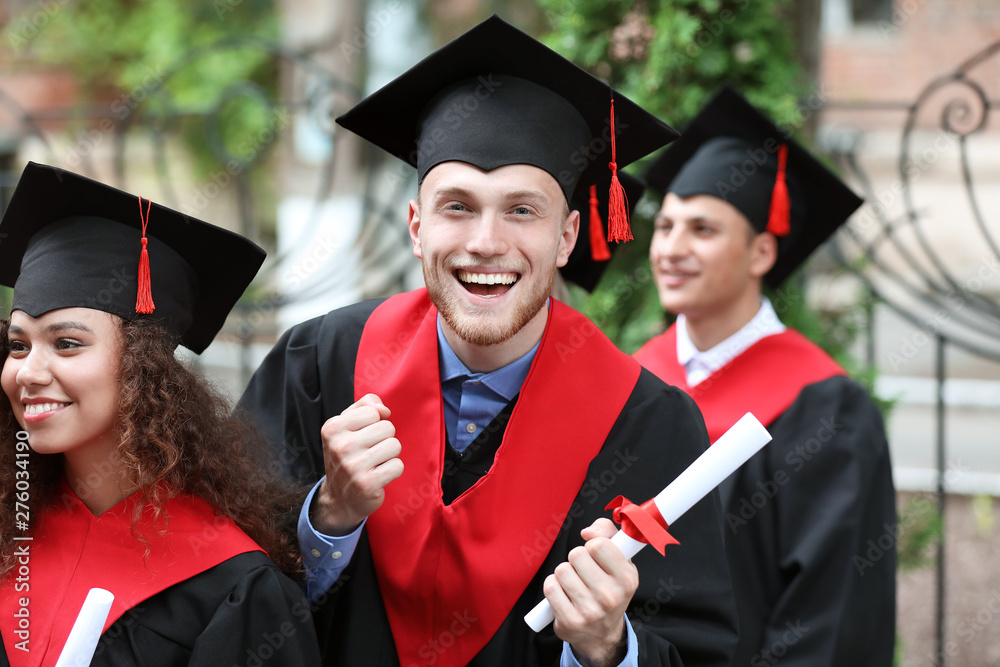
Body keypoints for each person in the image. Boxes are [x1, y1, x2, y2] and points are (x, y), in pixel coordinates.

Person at [239, 15, 738, 667]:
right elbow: (221, 597)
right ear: (417, 226)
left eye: (522, 210)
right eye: (458, 206)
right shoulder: (317, 367)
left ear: (566, 238)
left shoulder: (648, 425)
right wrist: (327, 518)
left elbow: (702, 652)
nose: (485, 242)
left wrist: (609, 646)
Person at [0, 162, 321, 666]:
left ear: (143, 367)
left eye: (66, 343)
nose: (28, 372)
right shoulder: (9, 531)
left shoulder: (232, 588)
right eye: (18, 346)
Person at [634, 84, 897, 666]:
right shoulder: (633, 384)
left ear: (760, 254)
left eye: (702, 230)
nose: (671, 248)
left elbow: (832, 619)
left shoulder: (826, 410)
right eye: (665, 225)